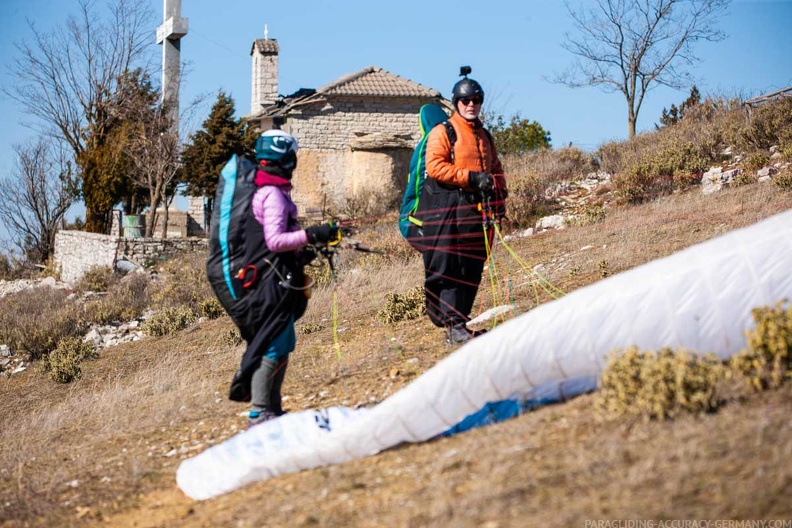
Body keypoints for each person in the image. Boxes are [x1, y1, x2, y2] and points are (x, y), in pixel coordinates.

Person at [231, 128, 339, 427]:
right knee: (273, 345)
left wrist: (306, 250)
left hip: (273, 277)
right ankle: (258, 412)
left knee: (284, 342)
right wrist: (311, 234)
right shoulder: (273, 195)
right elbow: (275, 240)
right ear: (286, 159)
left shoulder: (269, 190)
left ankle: (273, 409)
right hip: (267, 284)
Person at [418, 67, 507, 345]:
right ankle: (452, 324)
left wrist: (500, 196)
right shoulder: (444, 132)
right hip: (447, 209)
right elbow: (435, 167)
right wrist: (471, 178)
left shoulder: (484, 135)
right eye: (465, 101)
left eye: (476, 101)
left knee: (472, 265)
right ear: (456, 103)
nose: (471, 105)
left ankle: (460, 323)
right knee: (450, 266)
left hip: (476, 211)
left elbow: (496, 168)